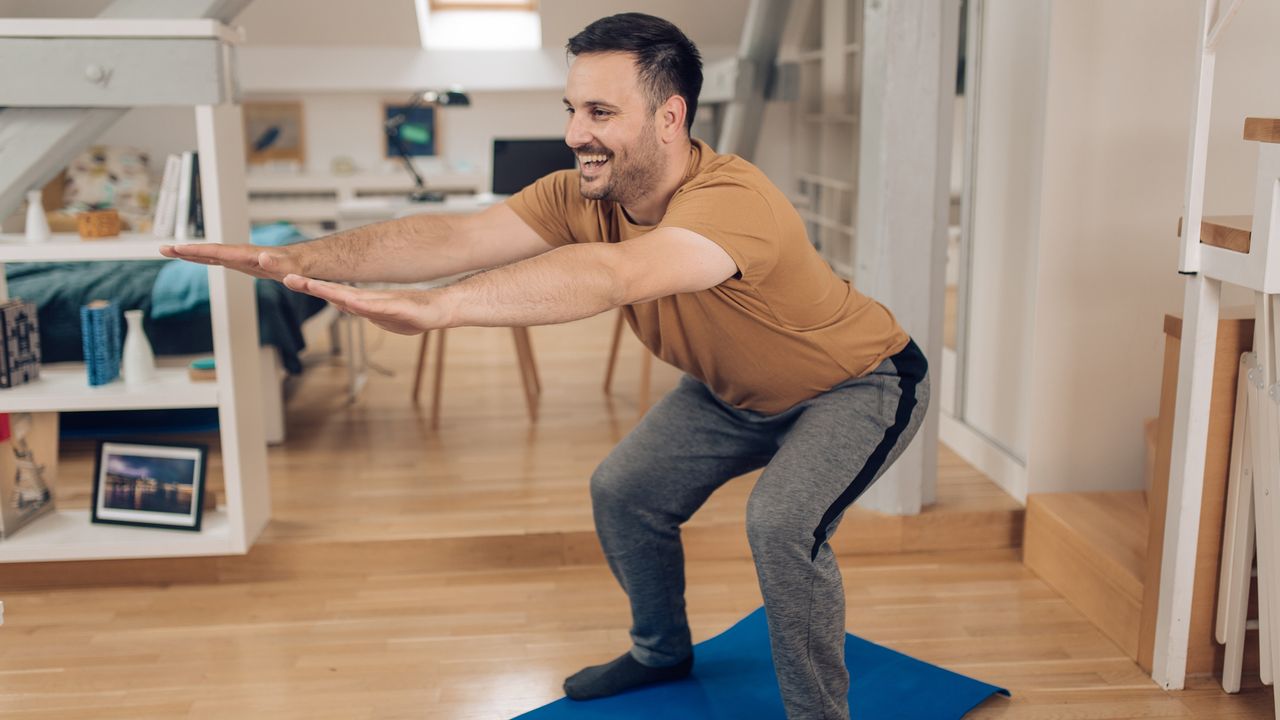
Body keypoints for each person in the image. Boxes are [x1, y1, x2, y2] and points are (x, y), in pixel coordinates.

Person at [163, 12, 929, 719]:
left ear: (670, 118)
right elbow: (455, 238)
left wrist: (443, 308)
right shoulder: (580, 194)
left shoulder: (732, 198)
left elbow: (614, 276)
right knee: (624, 492)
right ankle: (660, 653)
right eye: (570, 109)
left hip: (856, 384)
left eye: (599, 113)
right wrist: (297, 256)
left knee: (781, 523)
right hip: (734, 394)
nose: (574, 133)